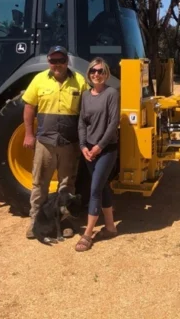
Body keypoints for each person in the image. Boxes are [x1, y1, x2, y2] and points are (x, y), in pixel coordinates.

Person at [21, 46, 88, 240]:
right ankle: (35, 222)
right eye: (53, 61)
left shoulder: (80, 81)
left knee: (67, 185)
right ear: (49, 61)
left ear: (67, 61)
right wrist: (28, 134)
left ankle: (64, 220)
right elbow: (29, 107)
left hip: (69, 143)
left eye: (61, 60)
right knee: (40, 183)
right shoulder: (39, 79)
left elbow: (86, 110)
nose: (57, 64)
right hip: (45, 142)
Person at [75, 57, 120, 252]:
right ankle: (110, 227)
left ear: (106, 74)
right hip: (89, 150)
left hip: (106, 149)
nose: (96, 74)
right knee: (101, 187)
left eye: (100, 71)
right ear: (89, 74)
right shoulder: (85, 95)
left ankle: (88, 234)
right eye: (93, 71)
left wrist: (99, 147)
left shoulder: (111, 93)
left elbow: (113, 123)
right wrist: (83, 145)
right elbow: (82, 122)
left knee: (94, 190)